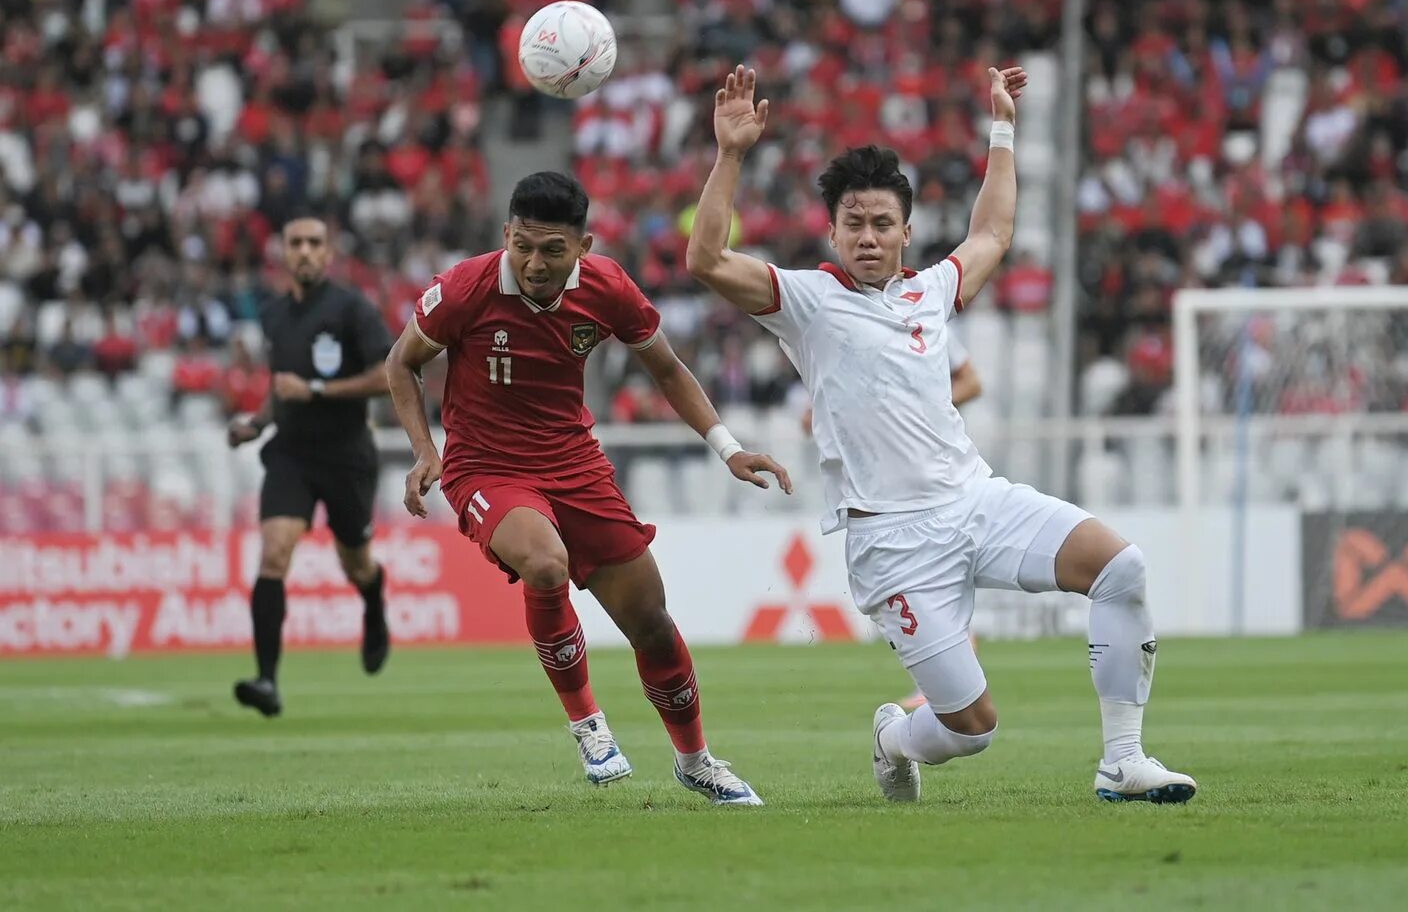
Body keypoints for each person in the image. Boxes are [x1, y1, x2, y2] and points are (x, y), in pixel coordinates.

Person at [686, 65, 1196, 804]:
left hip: (976, 501)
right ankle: (895, 737)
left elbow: (992, 231)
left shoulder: (931, 291)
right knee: (972, 728)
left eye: (882, 224)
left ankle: (1123, 760)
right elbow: (704, 260)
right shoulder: (808, 299)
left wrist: (1002, 129)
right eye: (853, 224)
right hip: (893, 543)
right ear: (831, 231)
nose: (867, 237)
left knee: (1122, 568)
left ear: (905, 232)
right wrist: (730, 154)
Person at [386, 171, 791, 806]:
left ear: (585, 247)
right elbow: (401, 361)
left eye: (552, 249)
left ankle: (696, 761)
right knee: (546, 565)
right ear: (506, 236)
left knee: (652, 623)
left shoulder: (607, 289)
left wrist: (728, 448)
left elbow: (666, 367)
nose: (534, 262)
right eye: (522, 245)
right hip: (486, 466)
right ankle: (590, 726)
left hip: (576, 465)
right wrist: (423, 449)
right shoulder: (465, 287)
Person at [227, 217, 394, 717]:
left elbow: (387, 377)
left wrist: (318, 390)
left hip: (346, 457)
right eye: (295, 242)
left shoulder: (353, 309)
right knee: (274, 553)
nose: (304, 251)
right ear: (283, 251)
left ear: (328, 253)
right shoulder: (274, 313)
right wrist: (256, 424)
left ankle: (373, 601)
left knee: (356, 564)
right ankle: (266, 680)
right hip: (292, 454)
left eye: (314, 243)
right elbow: (282, 386)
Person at [800, 327, 982, 712]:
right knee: (923, 583)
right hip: (885, 479)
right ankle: (943, 686)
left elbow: (971, 382)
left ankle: (947, 688)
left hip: (934, 471)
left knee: (942, 578)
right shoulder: (853, 329)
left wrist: (919, 409)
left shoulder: (925, 321)